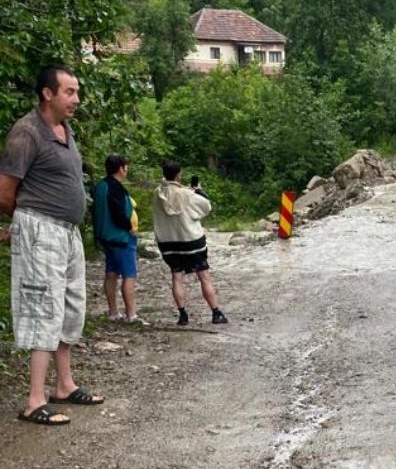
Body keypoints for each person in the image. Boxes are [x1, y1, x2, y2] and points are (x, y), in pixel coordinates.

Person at [0, 65, 104, 426]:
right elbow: (5, 192)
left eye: (76, 92)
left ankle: (64, 384)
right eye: (69, 92)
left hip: (67, 232)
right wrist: (28, 223)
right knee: (42, 308)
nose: (76, 99)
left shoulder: (65, 130)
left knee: (70, 307)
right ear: (48, 93)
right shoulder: (26, 133)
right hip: (41, 231)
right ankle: (33, 400)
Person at [151, 161, 228, 326]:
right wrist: (198, 191)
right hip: (191, 242)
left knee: (177, 278)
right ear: (179, 174)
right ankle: (216, 313)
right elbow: (206, 207)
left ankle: (183, 315)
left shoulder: (157, 194)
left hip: (169, 243)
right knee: (204, 277)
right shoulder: (187, 194)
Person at [92, 154, 143, 323]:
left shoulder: (100, 186)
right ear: (121, 168)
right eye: (126, 167)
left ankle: (113, 312)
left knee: (111, 273)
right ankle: (131, 314)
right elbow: (118, 212)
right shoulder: (116, 187)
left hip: (105, 237)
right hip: (120, 237)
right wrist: (129, 226)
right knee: (129, 274)